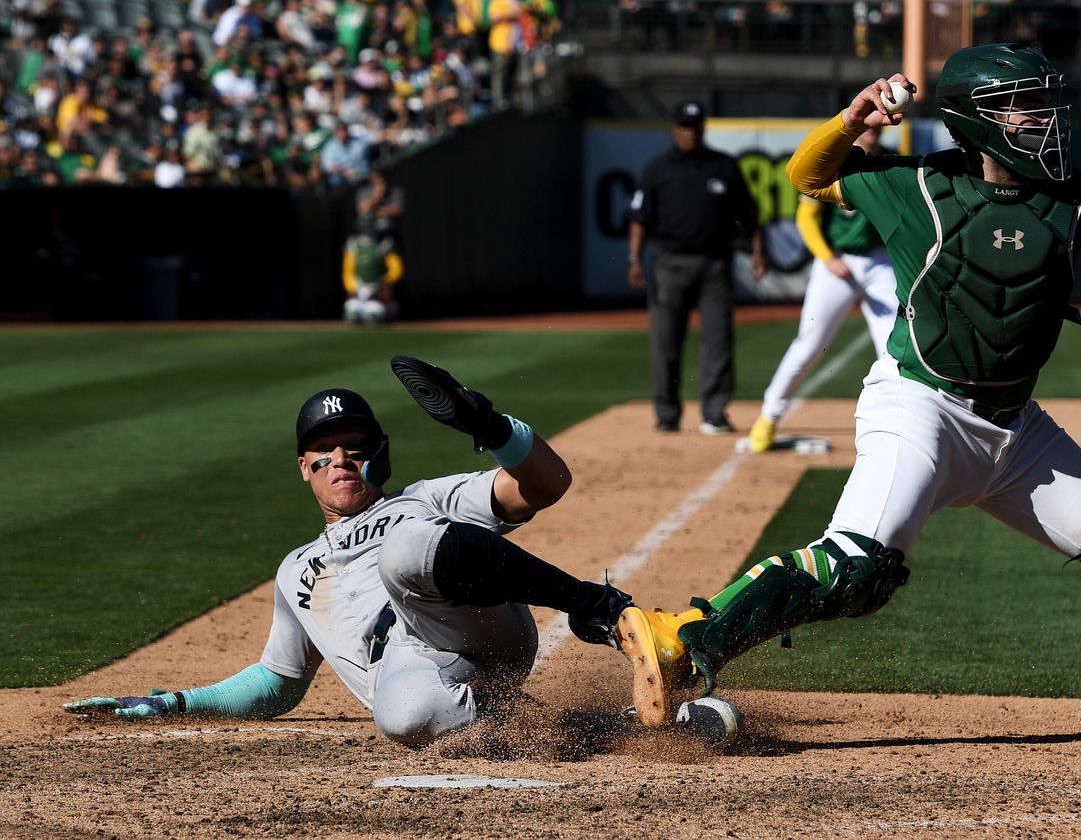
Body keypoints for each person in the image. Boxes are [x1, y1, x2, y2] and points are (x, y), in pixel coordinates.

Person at [619, 42, 1081, 739]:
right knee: (856, 570)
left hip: (1014, 429)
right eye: (1023, 106)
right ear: (977, 120)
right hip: (920, 406)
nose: (1044, 119)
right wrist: (850, 120)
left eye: (1046, 102)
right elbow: (807, 176)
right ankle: (682, 635)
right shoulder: (917, 185)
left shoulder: (1076, 198)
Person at [62, 357, 668, 748]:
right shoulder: (295, 572)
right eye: (322, 451)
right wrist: (173, 702)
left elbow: (547, 485)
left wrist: (492, 427)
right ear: (304, 469)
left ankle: (599, 607)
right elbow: (277, 684)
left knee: (403, 548)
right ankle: (615, 727)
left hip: (480, 630)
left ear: (380, 451)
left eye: (354, 446)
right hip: (420, 679)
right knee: (403, 714)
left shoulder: (427, 499)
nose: (340, 459)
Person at [747, 126, 898, 454]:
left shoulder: (892, 160)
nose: (872, 129)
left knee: (894, 348)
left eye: (877, 124)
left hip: (880, 261)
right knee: (810, 344)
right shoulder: (834, 159)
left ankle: (895, 427)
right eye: (867, 123)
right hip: (837, 261)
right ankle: (768, 417)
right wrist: (828, 259)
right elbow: (806, 217)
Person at [627, 100, 766, 435]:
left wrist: (759, 252)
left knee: (718, 340)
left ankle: (714, 413)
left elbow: (749, 213)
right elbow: (640, 218)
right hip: (669, 263)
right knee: (666, 341)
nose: (690, 131)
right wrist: (634, 258)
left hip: (715, 264)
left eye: (696, 125)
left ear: (704, 127)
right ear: (675, 129)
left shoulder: (724, 166)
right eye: (685, 126)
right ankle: (667, 413)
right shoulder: (657, 168)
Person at [342, 212, 404, 324]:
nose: (367, 229)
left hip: (378, 288)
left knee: (373, 316)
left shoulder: (385, 244)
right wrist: (351, 288)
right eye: (365, 225)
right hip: (359, 287)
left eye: (370, 225)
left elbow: (396, 269)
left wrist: (385, 282)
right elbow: (348, 270)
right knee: (352, 314)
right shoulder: (353, 243)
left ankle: (388, 308)